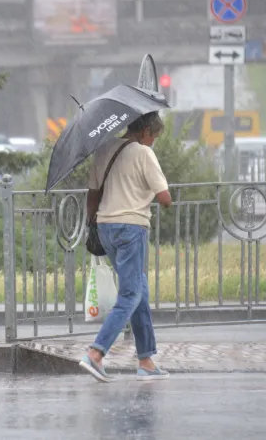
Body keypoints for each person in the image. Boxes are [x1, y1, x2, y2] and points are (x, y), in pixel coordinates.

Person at [80, 111, 172, 382]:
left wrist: (92, 222)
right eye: (154, 136)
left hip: (106, 228)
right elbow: (165, 198)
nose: (153, 142)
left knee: (139, 289)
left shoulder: (104, 148)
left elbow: (93, 194)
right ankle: (96, 354)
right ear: (145, 131)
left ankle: (146, 361)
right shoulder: (144, 154)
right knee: (131, 294)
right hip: (132, 228)